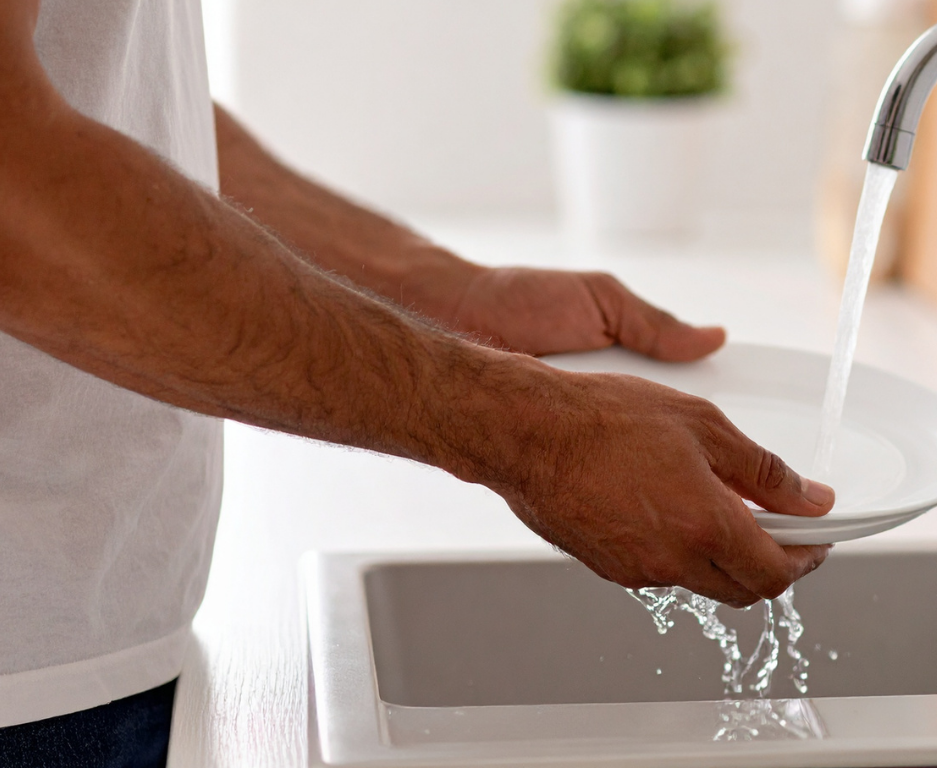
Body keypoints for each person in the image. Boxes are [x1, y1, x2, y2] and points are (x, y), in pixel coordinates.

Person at [0, 1, 836, 764]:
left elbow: (119, 96)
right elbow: (17, 184)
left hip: (103, 655)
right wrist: (527, 430)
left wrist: (451, 291)